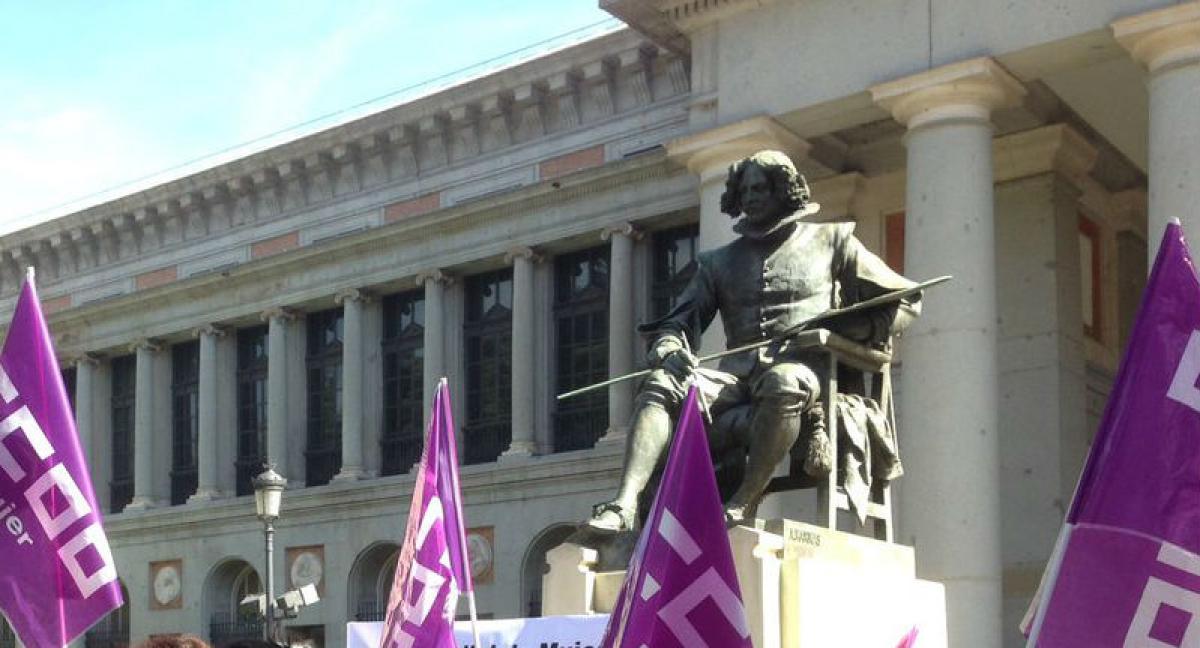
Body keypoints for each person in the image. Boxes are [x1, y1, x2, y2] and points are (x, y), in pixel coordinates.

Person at [587, 149, 921, 531]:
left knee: (782, 383)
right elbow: (675, 324)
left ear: (785, 190)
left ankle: (744, 500)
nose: (751, 197)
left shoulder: (833, 240)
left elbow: (907, 300)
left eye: (761, 188)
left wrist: (848, 331)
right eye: (744, 191)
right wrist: (670, 349)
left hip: (806, 376)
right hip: (735, 381)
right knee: (661, 383)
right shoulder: (719, 262)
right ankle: (624, 505)